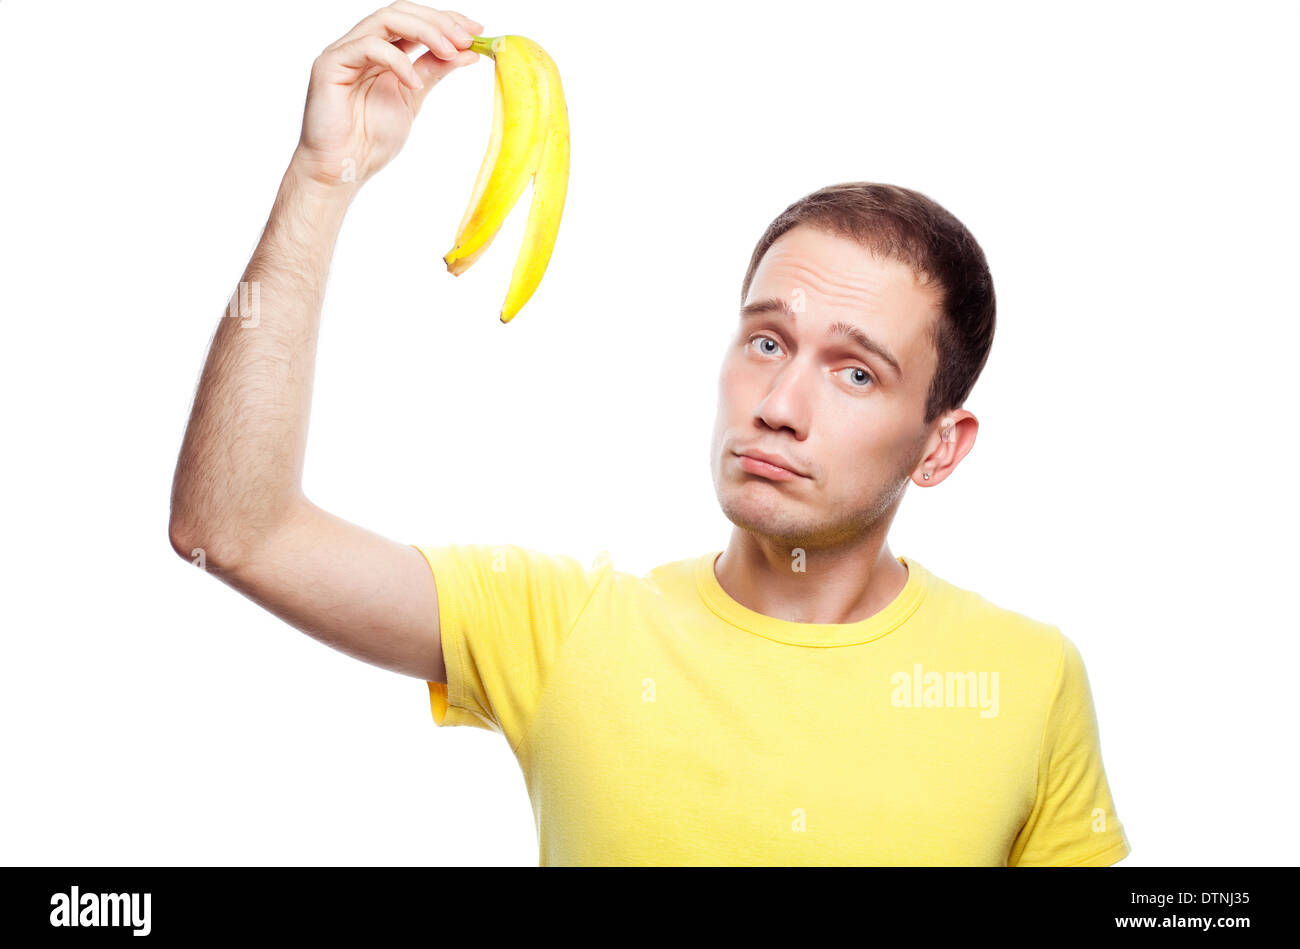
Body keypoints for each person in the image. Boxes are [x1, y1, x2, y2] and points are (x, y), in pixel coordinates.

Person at [169, 2, 1131, 867]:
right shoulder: (566, 626)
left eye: (855, 372)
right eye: (766, 339)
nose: (780, 403)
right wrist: (323, 176)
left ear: (941, 445)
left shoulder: (1027, 677)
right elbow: (234, 530)